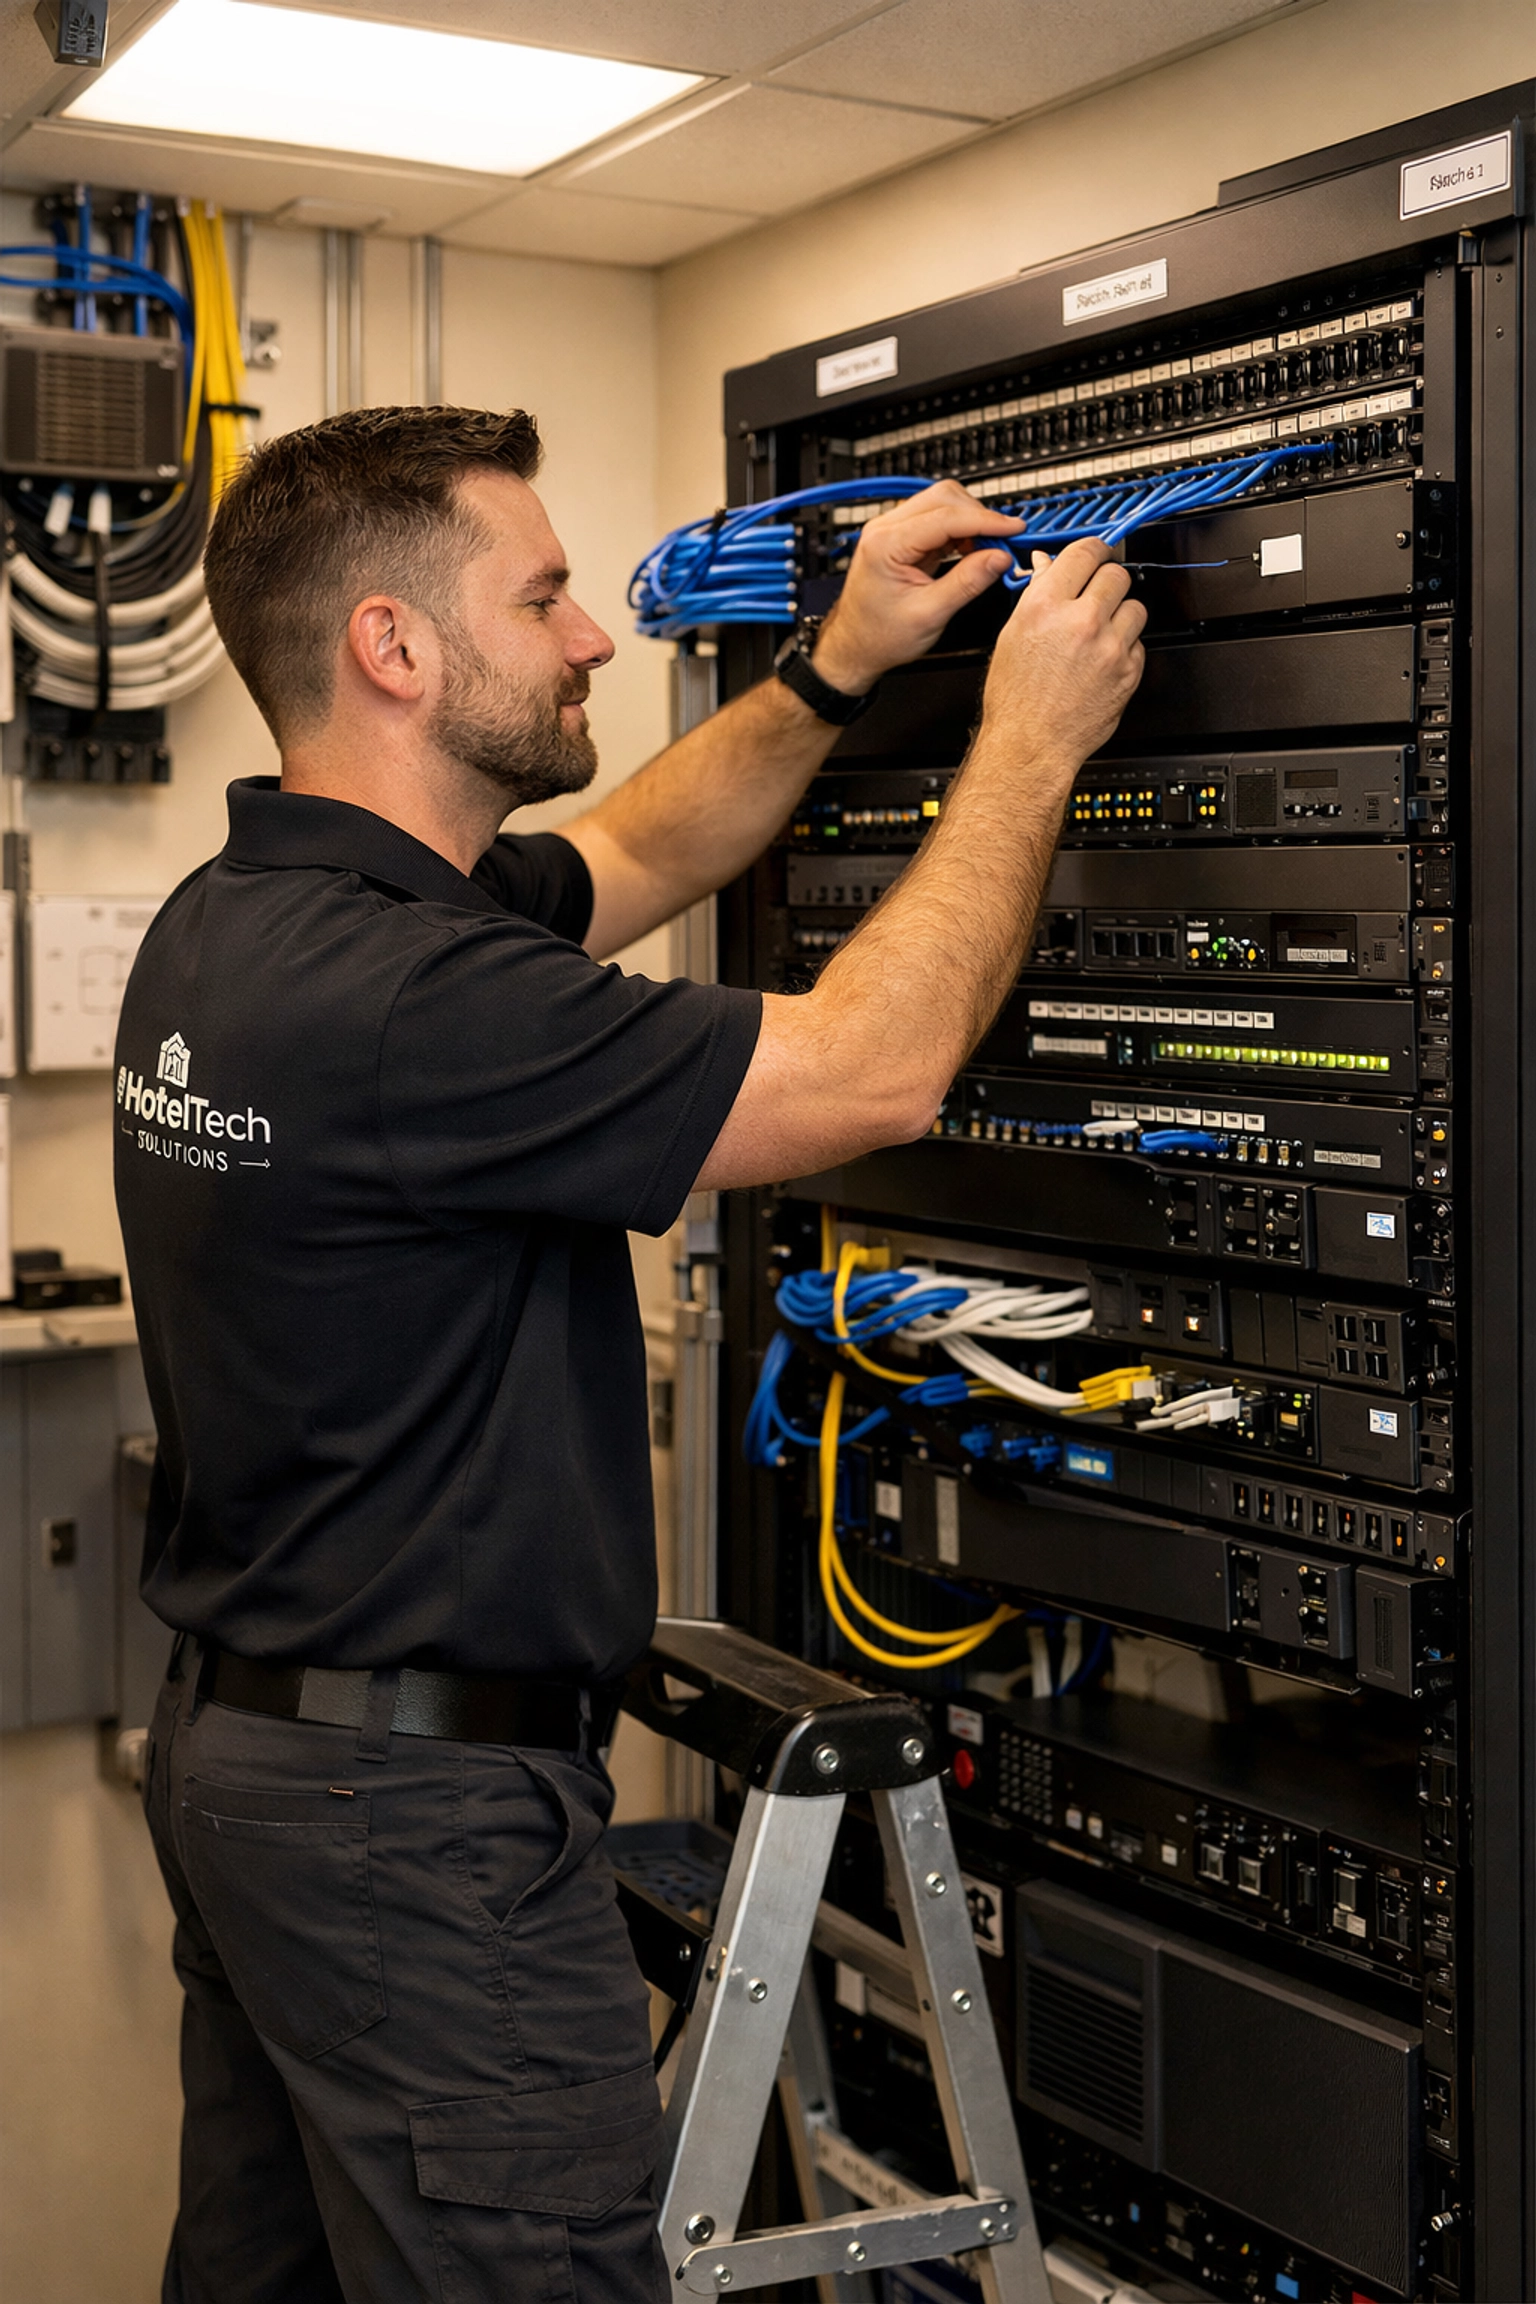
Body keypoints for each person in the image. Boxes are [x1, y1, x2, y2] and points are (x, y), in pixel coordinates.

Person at [115, 403, 1145, 2304]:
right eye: (548, 592)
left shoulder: (249, 924)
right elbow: (870, 1070)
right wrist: (1027, 739)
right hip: (413, 1835)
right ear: (396, 648)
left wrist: (833, 667)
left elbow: (630, 850)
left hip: (259, 1762)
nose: (595, 634)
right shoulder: (412, 1001)